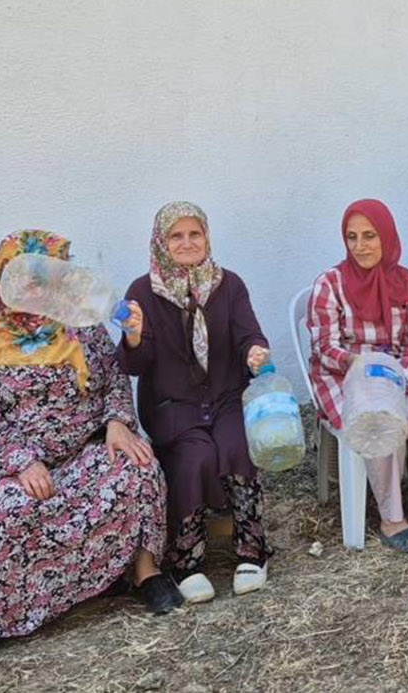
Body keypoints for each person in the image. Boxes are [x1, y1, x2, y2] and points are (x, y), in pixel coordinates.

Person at [0, 231, 178, 660]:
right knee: (14, 508)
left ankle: (143, 572)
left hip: (85, 448)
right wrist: (21, 461)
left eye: (47, 274)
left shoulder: (76, 314)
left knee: (139, 466)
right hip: (18, 464)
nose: (39, 285)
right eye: (27, 276)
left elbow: (112, 376)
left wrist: (117, 422)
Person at [120, 201, 274, 604]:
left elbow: (248, 334)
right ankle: (187, 560)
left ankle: (252, 550)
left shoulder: (229, 284)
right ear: (161, 242)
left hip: (226, 397)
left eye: (195, 234)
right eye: (176, 235)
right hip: (173, 406)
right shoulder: (142, 292)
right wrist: (134, 336)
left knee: (237, 443)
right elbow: (135, 365)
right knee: (196, 455)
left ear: (207, 237)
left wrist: (255, 351)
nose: (187, 242)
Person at [308, 199, 408, 552]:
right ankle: (392, 518)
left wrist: (395, 375)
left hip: (396, 373)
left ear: (386, 236)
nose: (360, 246)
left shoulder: (407, 283)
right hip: (342, 373)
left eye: (369, 235)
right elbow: (324, 347)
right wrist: (360, 365)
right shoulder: (330, 283)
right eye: (352, 237)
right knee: (376, 421)